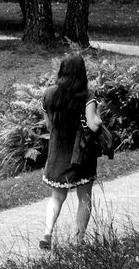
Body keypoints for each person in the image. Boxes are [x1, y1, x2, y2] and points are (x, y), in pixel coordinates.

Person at [39, 54, 104, 250]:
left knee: (57, 197)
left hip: (58, 151)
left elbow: (49, 125)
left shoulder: (49, 93)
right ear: (82, 73)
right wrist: (99, 112)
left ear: (62, 71)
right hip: (81, 153)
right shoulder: (87, 96)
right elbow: (94, 125)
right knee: (84, 197)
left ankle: (47, 233)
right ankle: (78, 240)